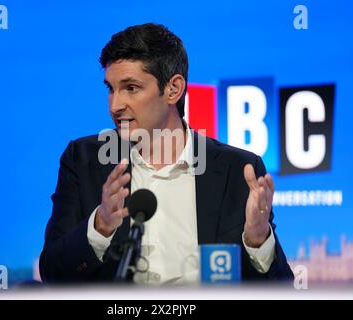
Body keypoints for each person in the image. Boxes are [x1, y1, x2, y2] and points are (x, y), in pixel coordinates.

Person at [39, 23, 294, 284]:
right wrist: (100, 226)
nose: (115, 105)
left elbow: (281, 288)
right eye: (110, 89)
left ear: (173, 89)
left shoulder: (239, 170)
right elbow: (52, 274)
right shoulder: (83, 160)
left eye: (131, 88)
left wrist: (257, 240)